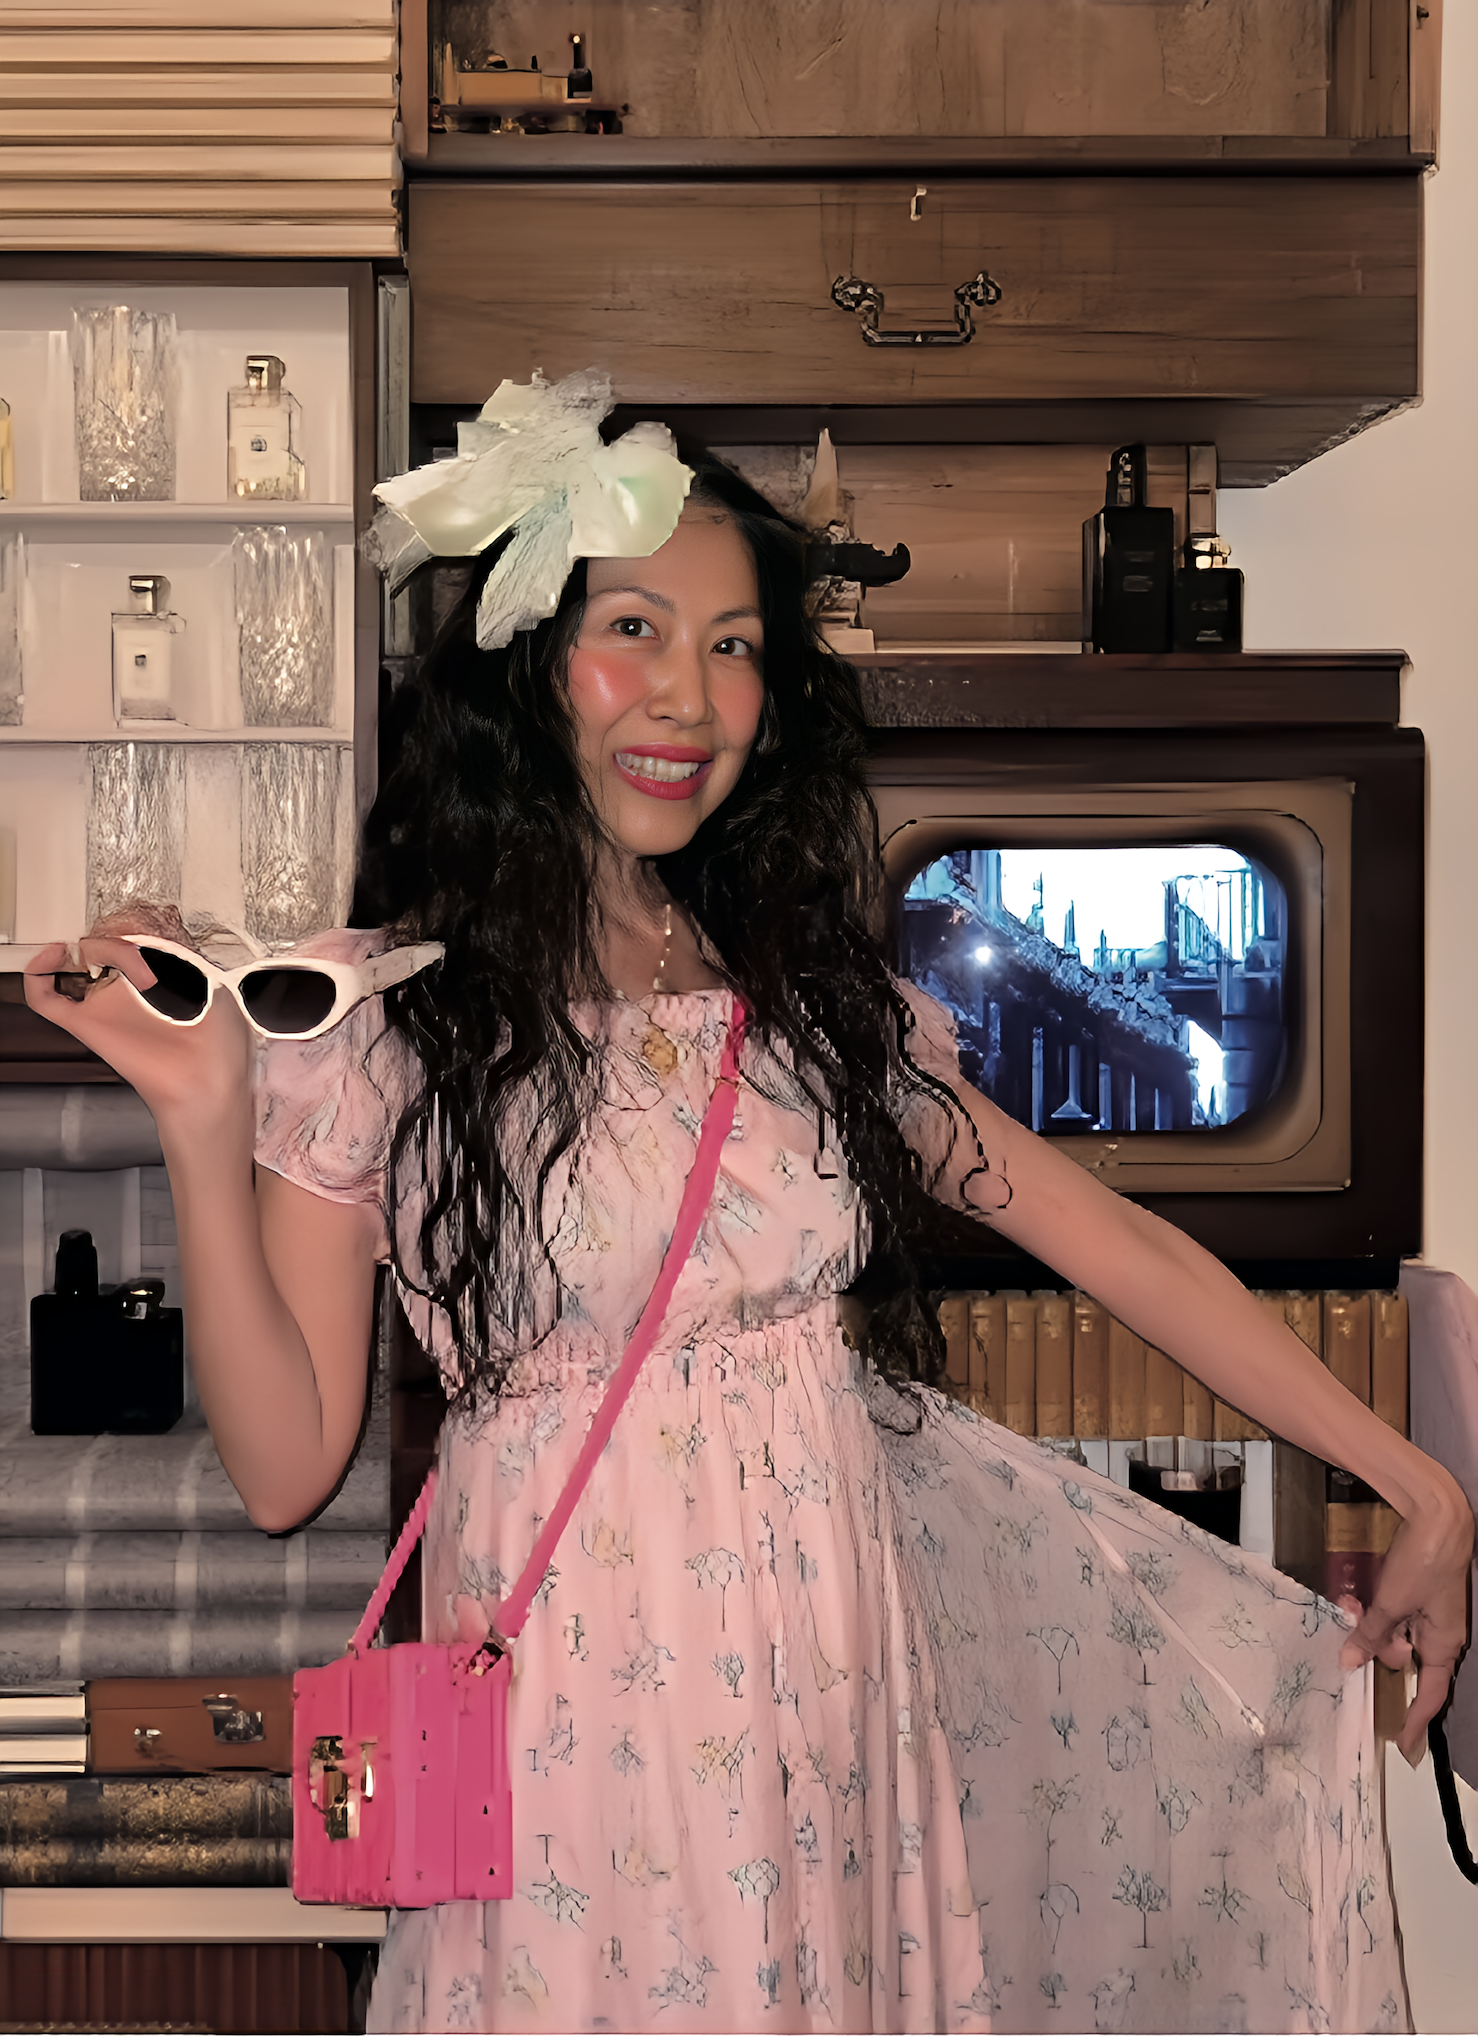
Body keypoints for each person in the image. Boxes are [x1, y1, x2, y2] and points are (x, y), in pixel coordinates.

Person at [27, 374, 1471, 2035]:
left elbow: (1111, 1240)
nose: (689, 696)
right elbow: (287, 1469)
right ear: (525, 664)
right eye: (632, 630)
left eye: (732, 647)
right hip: (575, 1750)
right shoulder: (389, 1018)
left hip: (830, 1719)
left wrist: (1415, 1483)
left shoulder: (806, 1000)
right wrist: (203, 1120)